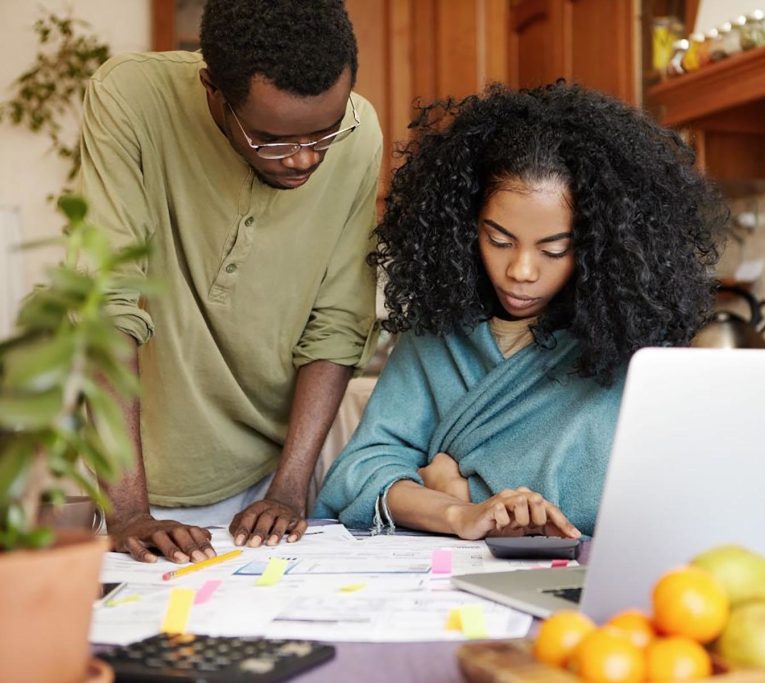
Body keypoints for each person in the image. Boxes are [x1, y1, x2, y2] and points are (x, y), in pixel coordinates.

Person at [314, 82, 727, 539]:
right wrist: (454, 511)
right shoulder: (438, 331)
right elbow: (358, 472)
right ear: (464, 227)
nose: (521, 271)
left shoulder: (626, 344)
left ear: (599, 247)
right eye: (499, 240)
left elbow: (634, 489)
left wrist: (462, 486)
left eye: (553, 250)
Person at [79, 0, 382, 563]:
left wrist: (289, 489)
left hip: (273, 477)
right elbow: (106, 302)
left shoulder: (359, 136)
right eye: (272, 139)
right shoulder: (131, 98)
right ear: (212, 89)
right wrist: (128, 511)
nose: (303, 160)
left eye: (324, 133)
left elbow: (339, 321)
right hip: (133, 476)